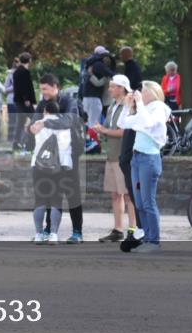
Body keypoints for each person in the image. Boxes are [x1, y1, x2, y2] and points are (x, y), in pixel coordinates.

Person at [28, 74, 84, 243]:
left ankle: (77, 232)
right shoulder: (43, 104)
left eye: (45, 88)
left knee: (72, 193)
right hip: (46, 159)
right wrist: (31, 128)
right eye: (41, 89)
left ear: (54, 86)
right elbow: (34, 123)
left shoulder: (70, 102)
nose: (42, 92)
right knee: (48, 193)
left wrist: (45, 123)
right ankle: (47, 230)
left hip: (69, 155)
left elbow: (69, 121)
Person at [116, 80, 170, 253]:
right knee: (139, 202)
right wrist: (127, 106)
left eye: (144, 91)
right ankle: (147, 238)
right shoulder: (144, 109)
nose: (141, 93)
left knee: (148, 201)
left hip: (149, 159)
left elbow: (148, 123)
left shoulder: (159, 108)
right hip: (137, 158)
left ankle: (153, 240)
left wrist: (138, 103)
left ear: (153, 93)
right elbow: (123, 124)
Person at [93, 75, 137, 242]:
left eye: (112, 86)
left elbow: (123, 131)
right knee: (115, 194)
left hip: (122, 155)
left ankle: (133, 229)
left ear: (121, 88)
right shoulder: (113, 105)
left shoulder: (128, 104)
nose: (110, 89)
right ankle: (118, 229)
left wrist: (103, 130)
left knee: (127, 194)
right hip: (112, 154)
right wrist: (103, 130)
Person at [30, 100, 74, 245]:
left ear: (45, 111)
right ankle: (53, 234)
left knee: (40, 200)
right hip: (59, 167)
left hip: (39, 166)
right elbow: (67, 148)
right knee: (56, 200)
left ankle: (38, 234)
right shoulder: (64, 125)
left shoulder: (38, 124)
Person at [81, 46, 114, 128]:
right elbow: (100, 82)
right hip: (94, 99)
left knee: (88, 122)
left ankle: (88, 139)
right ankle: (93, 140)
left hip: (86, 98)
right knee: (94, 124)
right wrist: (111, 77)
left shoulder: (88, 65)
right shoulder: (98, 65)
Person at [12, 52, 36, 152]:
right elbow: (25, 87)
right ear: (29, 60)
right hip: (24, 101)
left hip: (19, 100)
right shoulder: (24, 72)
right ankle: (30, 141)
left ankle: (17, 142)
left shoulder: (17, 71)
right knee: (35, 118)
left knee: (20, 122)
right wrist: (27, 99)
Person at [4, 57, 19, 144]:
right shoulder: (9, 76)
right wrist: (14, 87)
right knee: (12, 120)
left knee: (20, 120)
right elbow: (5, 89)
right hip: (11, 101)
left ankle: (18, 139)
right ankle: (10, 138)